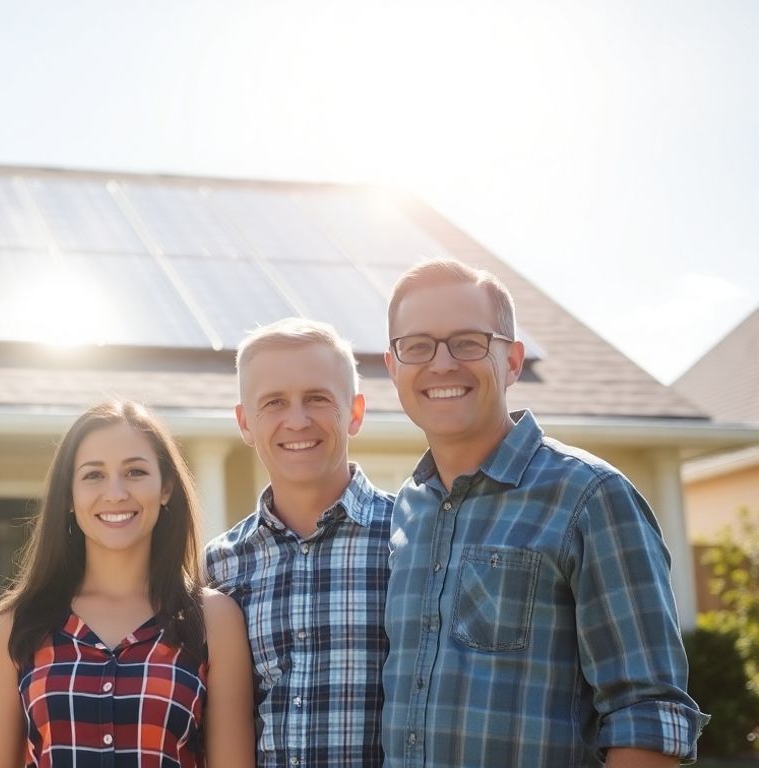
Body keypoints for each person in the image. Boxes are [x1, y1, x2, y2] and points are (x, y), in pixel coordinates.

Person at [380, 258, 708, 767]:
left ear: (512, 361)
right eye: (417, 346)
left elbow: (647, 712)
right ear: (393, 366)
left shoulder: (590, 497)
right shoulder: (406, 511)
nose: (441, 364)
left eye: (468, 342)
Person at [0, 399, 255, 768]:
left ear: (166, 487)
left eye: (135, 472)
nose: (116, 493)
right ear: (69, 498)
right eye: (93, 475)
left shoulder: (215, 620)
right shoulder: (17, 624)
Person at [205, 318, 395, 768]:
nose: (297, 420)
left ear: (355, 412)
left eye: (317, 398)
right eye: (273, 402)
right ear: (245, 423)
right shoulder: (220, 567)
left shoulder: (413, 538)